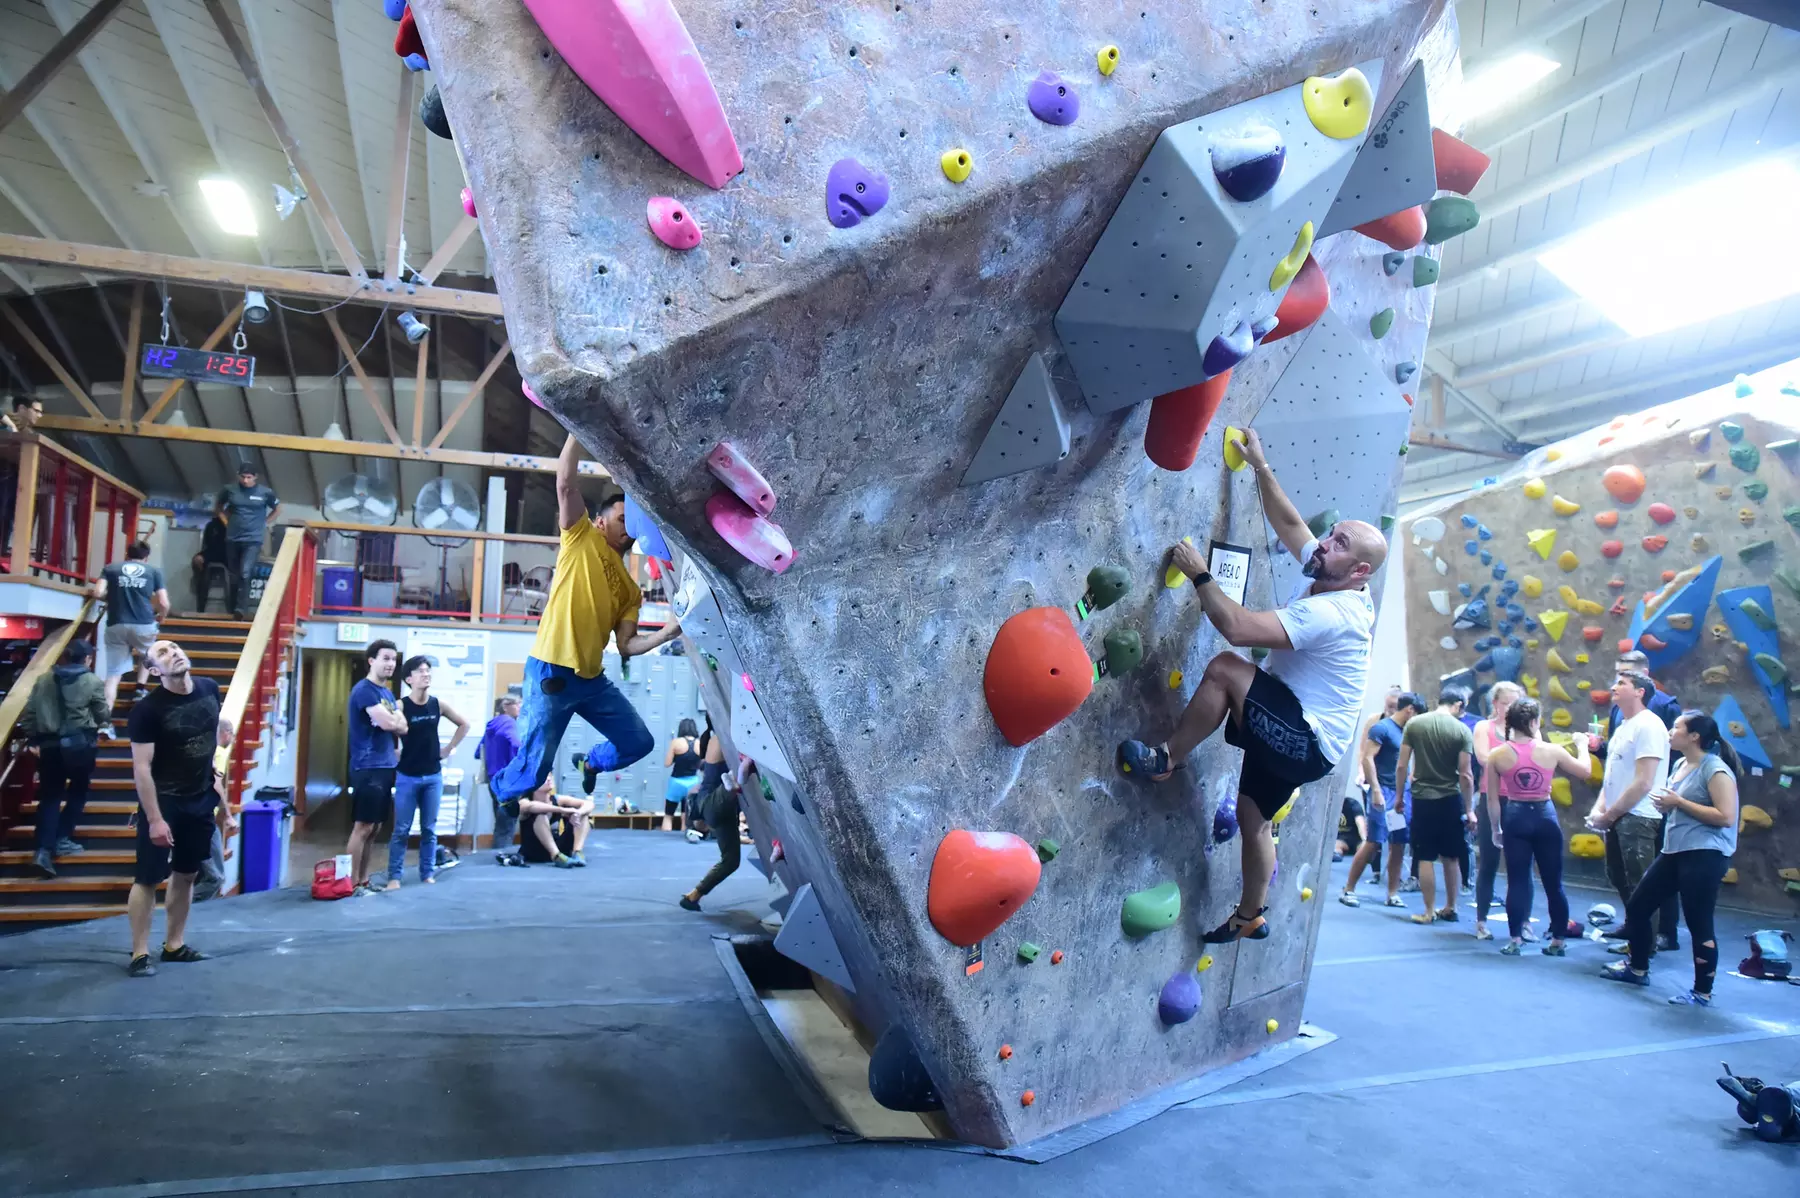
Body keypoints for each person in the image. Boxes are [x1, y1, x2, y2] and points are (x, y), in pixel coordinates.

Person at [1117, 428, 1380, 943]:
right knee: (1253, 816)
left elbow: (1237, 628)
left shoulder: (1334, 610)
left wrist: (1199, 574)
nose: (1324, 545)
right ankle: (1251, 914)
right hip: (1313, 737)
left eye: (1339, 544)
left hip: (1304, 735)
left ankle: (1166, 759)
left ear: (1360, 570)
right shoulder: (1333, 573)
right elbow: (1290, 524)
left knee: (1225, 668)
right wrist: (1259, 465)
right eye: (1333, 536)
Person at [490, 434, 682, 807]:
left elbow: (627, 645)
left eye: (633, 523)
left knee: (640, 742)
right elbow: (565, 483)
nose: (628, 527)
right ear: (600, 520)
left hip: (592, 683)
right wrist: (575, 430)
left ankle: (590, 763)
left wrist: (669, 631)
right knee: (532, 774)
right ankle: (503, 792)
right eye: (622, 517)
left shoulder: (631, 589)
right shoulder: (580, 537)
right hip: (551, 673)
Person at [1602, 711, 1740, 1004]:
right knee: (1639, 906)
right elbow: (1682, 806)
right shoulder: (1680, 764)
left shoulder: (1714, 770)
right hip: (1674, 851)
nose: (1670, 731)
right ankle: (1637, 969)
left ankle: (1702, 992)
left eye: (1676, 727)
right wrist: (1669, 806)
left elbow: (1726, 817)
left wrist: (1678, 802)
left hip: (1704, 854)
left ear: (1694, 737)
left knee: (1698, 923)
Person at [125, 640, 235, 977]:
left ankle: (174, 945)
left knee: (187, 874)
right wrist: (155, 819)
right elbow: (142, 768)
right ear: (155, 671)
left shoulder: (209, 688)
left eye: (174, 647)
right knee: (147, 878)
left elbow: (210, 734)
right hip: (165, 801)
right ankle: (140, 954)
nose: (173, 652)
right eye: (162, 653)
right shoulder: (147, 710)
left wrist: (213, 772)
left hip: (200, 797)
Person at [1486, 698, 1589, 957]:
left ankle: (1515, 940)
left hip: (1516, 816)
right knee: (1554, 883)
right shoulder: (1551, 751)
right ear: (1534, 722)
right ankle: (1558, 941)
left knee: (1517, 881)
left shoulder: (1497, 754)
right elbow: (1585, 771)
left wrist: (1495, 829)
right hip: (1545, 815)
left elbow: (1491, 799)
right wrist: (1582, 745)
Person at [1600, 649, 1682, 949]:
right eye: (1617, 675)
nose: (1615, 684)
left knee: (1649, 875)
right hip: (1622, 805)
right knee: (1619, 873)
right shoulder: (1620, 715)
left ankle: (1656, 936)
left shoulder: (1662, 711)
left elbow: (1663, 763)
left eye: (1624, 677)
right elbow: (1618, 758)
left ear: (1642, 682)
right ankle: (1636, 926)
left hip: (1648, 805)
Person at [19, 639, 109, 878]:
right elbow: (102, 714)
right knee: (78, 791)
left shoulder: (44, 680)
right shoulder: (92, 681)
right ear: (87, 659)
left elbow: (29, 715)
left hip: (49, 747)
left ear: (65, 657)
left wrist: (33, 740)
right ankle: (62, 838)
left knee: (50, 797)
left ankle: (42, 850)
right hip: (79, 746)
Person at [385, 656, 469, 889]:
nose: (426, 674)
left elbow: (464, 724)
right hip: (407, 776)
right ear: (409, 679)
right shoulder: (400, 706)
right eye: (420, 671)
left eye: (428, 670)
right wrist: (393, 751)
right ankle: (394, 877)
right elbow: (383, 727)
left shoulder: (437, 704)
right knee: (401, 829)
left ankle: (427, 873)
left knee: (429, 829)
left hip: (433, 776)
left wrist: (449, 748)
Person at [1396, 687, 1475, 924]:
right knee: (1451, 856)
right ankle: (1451, 907)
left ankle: (1428, 911)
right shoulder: (1462, 730)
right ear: (1458, 705)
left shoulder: (1415, 724)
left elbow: (1402, 766)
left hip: (1422, 799)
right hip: (1451, 800)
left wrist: (1400, 797)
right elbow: (1466, 774)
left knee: (1425, 856)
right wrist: (1469, 809)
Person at [1339, 691, 1421, 908]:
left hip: (1400, 795)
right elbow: (1367, 758)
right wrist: (1375, 790)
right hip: (1382, 792)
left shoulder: (1407, 732)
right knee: (1374, 842)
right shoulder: (1381, 728)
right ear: (1410, 709)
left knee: (1398, 842)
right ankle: (1348, 889)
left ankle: (1392, 893)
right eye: (1417, 714)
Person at [346, 640, 406, 896]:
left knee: (375, 828)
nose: (390, 664)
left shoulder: (387, 693)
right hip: (367, 766)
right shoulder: (365, 691)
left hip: (385, 765)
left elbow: (401, 725)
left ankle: (363, 880)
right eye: (385, 658)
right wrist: (396, 721)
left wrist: (396, 722)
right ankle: (348, 884)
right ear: (371, 661)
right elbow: (389, 724)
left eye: (393, 659)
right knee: (363, 827)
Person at [1469, 681, 1524, 940]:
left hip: (1520, 800)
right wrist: (1517, 756)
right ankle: (1481, 921)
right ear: (1495, 704)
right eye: (1506, 703)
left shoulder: (1527, 728)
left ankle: (1523, 923)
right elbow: (1483, 757)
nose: (1511, 708)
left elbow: (1539, 756)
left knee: (1521, 865)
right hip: (1491, 797)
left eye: (1516, 703)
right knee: (1489, 862)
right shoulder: (1484, 727)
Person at [94, 541, 168, 725]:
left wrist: (111, 596)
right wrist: (161, 617)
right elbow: (164, 603)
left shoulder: (111, 568)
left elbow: (97, 593)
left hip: (116, 623)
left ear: (127, 554)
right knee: (148, 654)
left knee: (113, 675)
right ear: (146, 556)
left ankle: (104, 722)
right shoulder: (154, 571)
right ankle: (139, 688)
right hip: (143, 623)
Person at [679, 735, 742, 912]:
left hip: (725, 812)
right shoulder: (717, 737)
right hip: (712, 804)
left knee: (731, 862)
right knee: (733, 781)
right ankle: (731, 783)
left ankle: (693, 896)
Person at [214, 465, 279, 618]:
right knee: (234, 575)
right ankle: (231, 609)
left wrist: (265, 522)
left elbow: (278, 509)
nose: (245, 480)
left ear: (255, 477)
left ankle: (241, 609)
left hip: (253, 539)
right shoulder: (229, 490)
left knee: (245, 572)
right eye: (243, 477)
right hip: (232, 538)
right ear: (238, 476)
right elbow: (218, 507)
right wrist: (226, 522)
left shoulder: (265, 492)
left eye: (249, 477)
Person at [503, 777, 594, 867]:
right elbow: (532, 806)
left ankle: (577, 852)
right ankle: (556, 856)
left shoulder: (557, 799)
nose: (549, 779)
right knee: (541, 816)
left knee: (584, 815)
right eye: (545, 777)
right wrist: (563, 810)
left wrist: (578, 813)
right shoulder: (524, 802)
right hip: (535, 851)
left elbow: (589, 804)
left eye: (550, 776)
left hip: (560, 848)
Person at [482, 695, 523, 864]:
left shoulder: (492, 723)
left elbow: (479, 751)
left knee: (500, 821)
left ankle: (496, 854)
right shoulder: (508, 722)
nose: (520, 707)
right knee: (507, 823)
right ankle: (504, 856)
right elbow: (516, 744)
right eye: (518, 704)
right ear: (506, 706)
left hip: (493, 778)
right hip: (507, 780)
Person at [662, 717, 703, 832]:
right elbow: (702, 765)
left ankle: (664, 841)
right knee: (686, 816)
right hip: (693, 783)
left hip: (676, 782)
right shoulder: (700, 744)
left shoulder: (676, 742)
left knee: (668, 815)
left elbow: (667, 763)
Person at [192, 514, 228, 613]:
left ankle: (232, 607)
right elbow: (206, 545)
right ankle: (201, 593)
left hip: (230, 554)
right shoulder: (212, 525)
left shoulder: (236, 524)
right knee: (197, 561)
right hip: (211, 553)